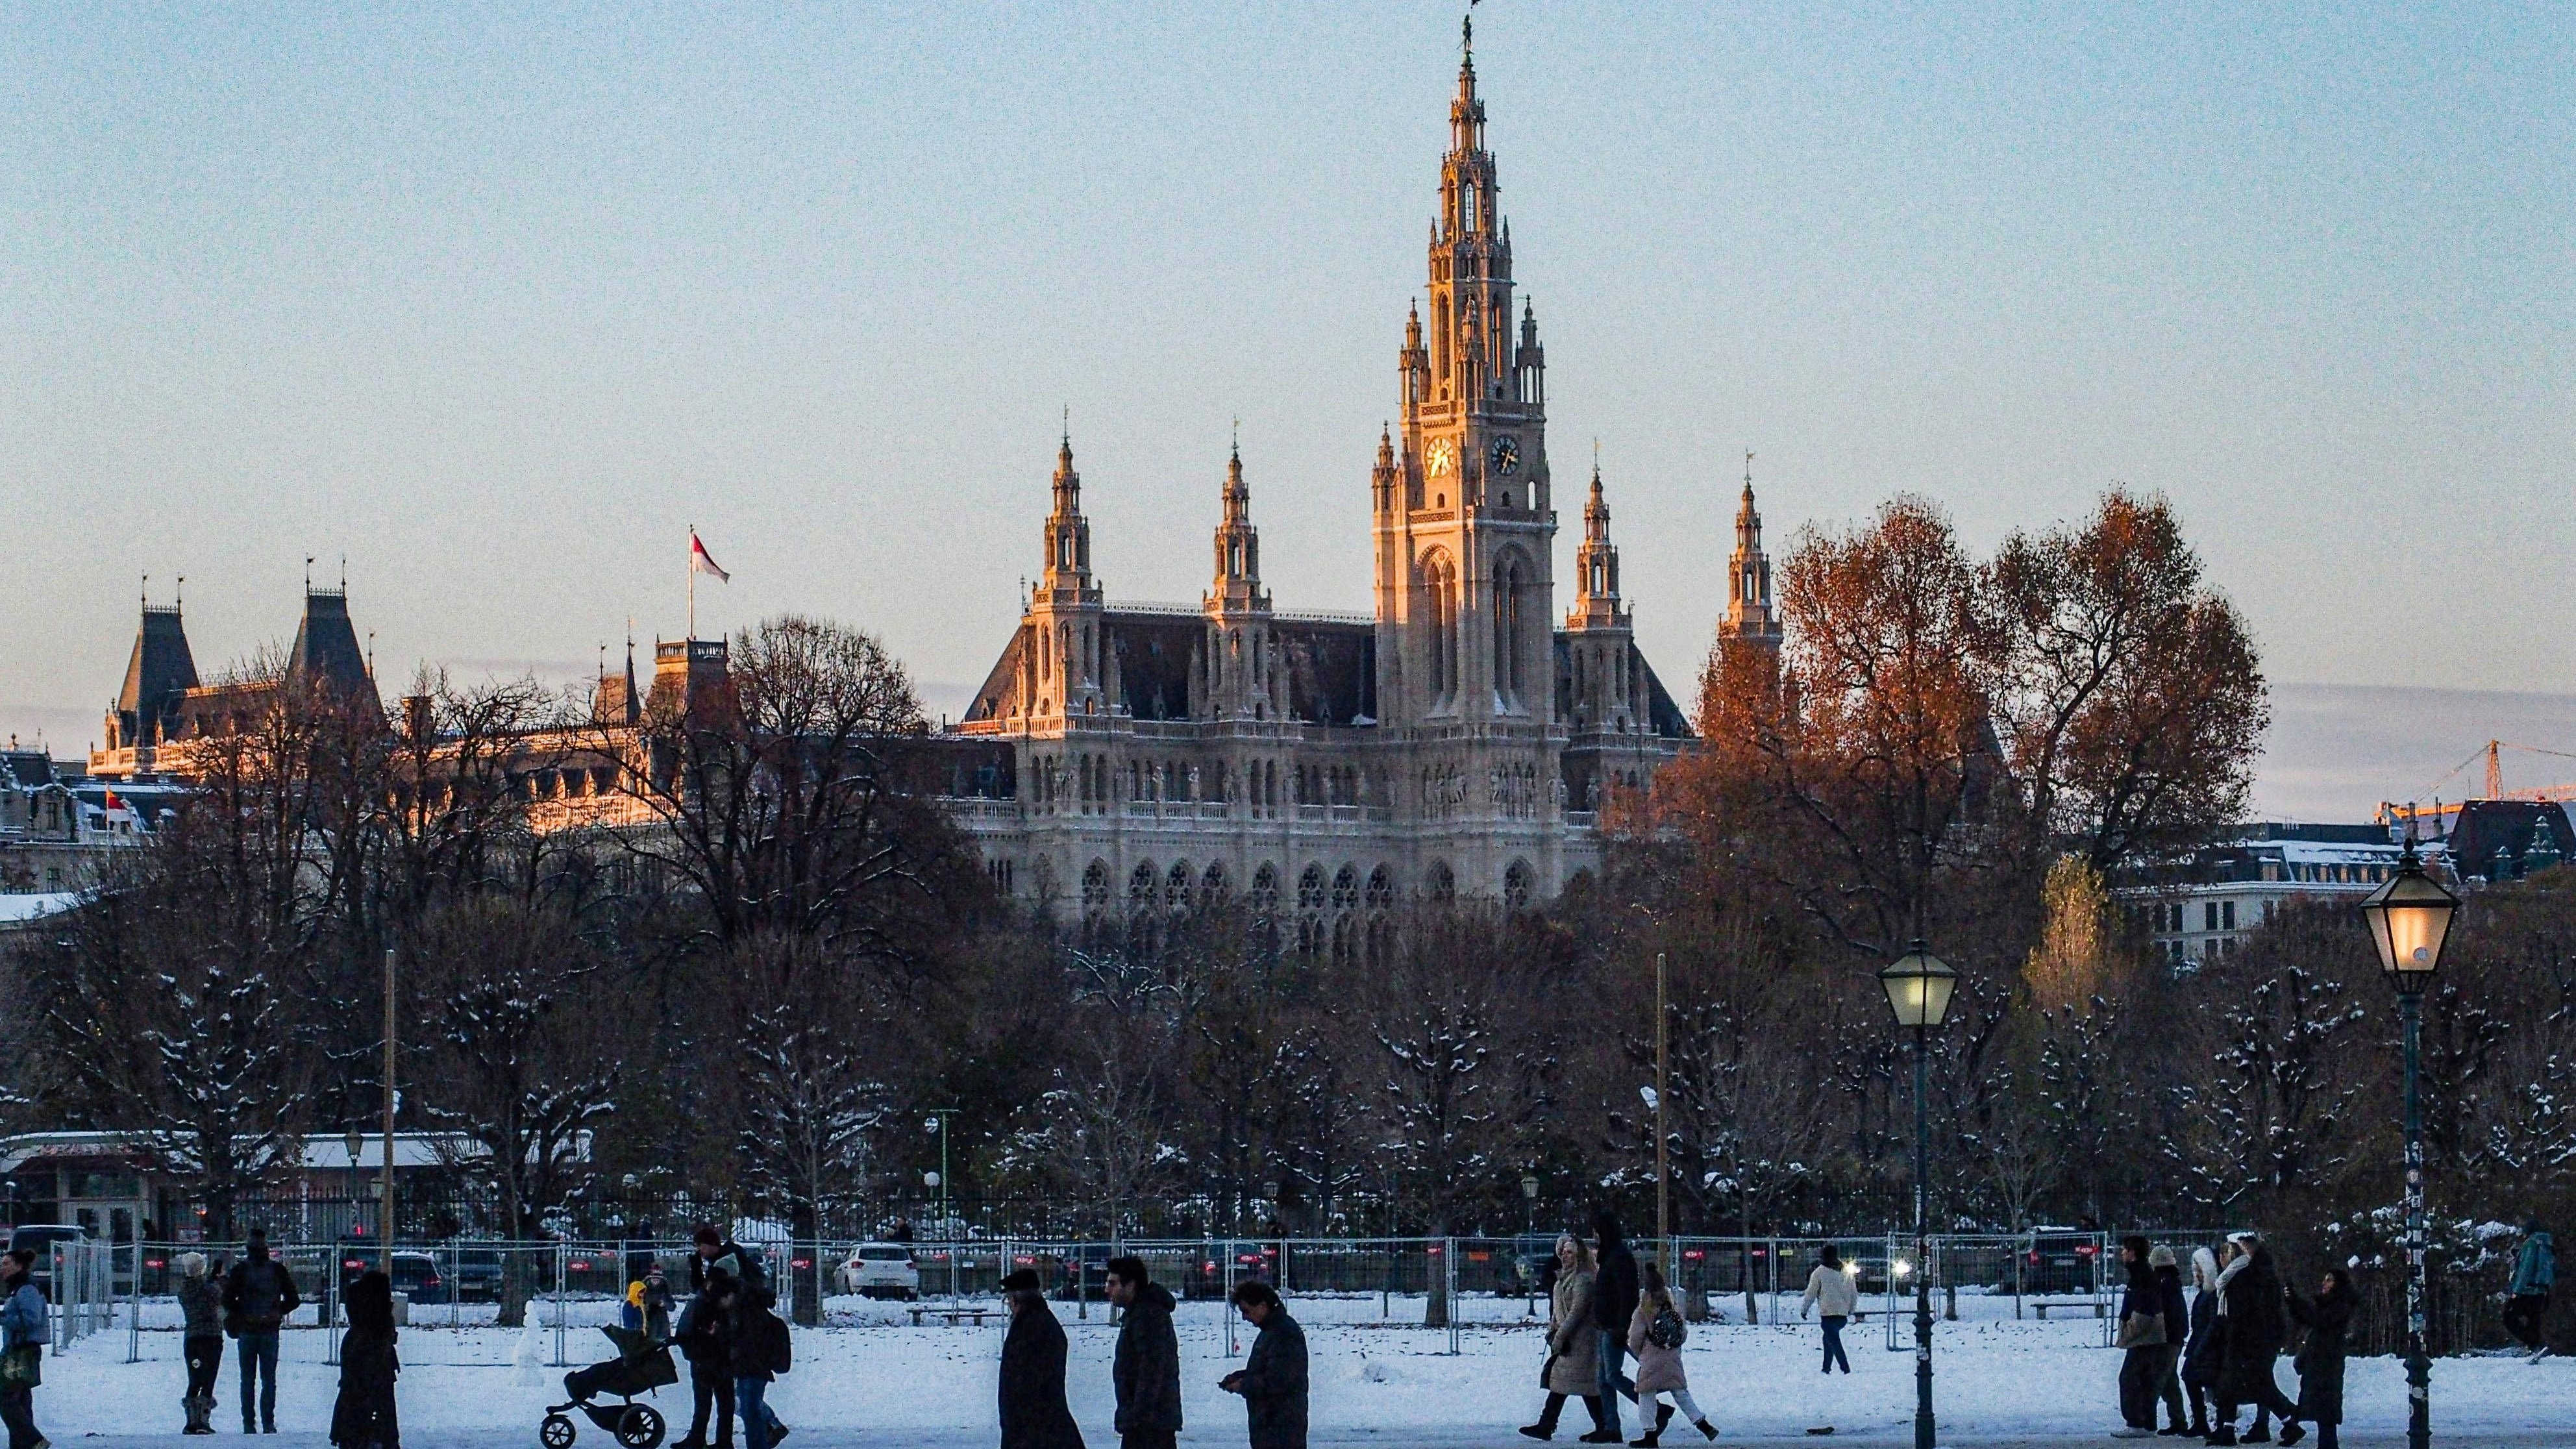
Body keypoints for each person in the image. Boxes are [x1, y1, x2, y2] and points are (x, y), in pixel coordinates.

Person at [2208, 1235, 2296, 1446]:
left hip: (2246, 1341)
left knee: (2252, 1385)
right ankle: (2230, 1430)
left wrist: (2231, 1336)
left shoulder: (2243, 1277)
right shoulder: (2241, 1275)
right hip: (2249, 1340)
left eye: (2226, 1253)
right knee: (2244, 1386)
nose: (2221, 1259)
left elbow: (2244, 1313)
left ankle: (2289, 1421)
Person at [1520, 1233, 1606, 1442]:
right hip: (1570, 1341)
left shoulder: (1583, 1280)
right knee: (1572, 1384)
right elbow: (1559, 1310)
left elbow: (1577, 1312)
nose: (1565, 1256)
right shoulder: (1564, 1279)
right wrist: (1554, 1331)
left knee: (1576, 1385)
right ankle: (1600, 1425)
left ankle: (1549, 1425)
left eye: (1570, 1252)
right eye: (1564, 1252)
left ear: (1579, 1256)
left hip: (1582, 1341)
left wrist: (1560, 1336)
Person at [1626, 1261, 1715, 1445]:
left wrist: (1640, 1353)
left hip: (1650, 1360)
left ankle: (1650, 1435)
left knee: (1646, 1395)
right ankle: (1703, 1424)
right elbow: (1683, 1334)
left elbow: (1635, 1339)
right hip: (1673, 1359)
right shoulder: (1673, 1308)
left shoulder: (1643, 1312)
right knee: (1680, 1392)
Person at [223, 1228, 301, 1434]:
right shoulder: (277, 1270)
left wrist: (242, 1313)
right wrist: (277, 1311)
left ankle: (249, 1423)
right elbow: (294, 1299)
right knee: (269, 1380)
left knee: (247, 1379)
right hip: (270, 1330)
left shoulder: (241, 1270)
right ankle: (268, 1422)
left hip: (247, 1330)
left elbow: (227, 1299)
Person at [997, 1268, 1083, 1449]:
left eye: (1009, 1299)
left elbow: (1022, 1385)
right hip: (1044, 1426)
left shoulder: (1028, 1328)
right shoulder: (1042, 1322)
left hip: (1034, 1430)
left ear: (1015, 1300)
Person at [1221, 1281, 1307, 1449]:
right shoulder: (1273, 1331)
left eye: (1246, 1311)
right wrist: (1241, 1377)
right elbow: (1269, 1370)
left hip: (1280, 1428)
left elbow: (1280, 1380)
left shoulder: (1283, 1333)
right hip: (1273, 1426)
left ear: (1262, 1306)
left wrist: (1244, 1384)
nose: (1244, 1317)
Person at [2275, 1267, 2354, 1449]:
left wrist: (2296, 1301)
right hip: (2319, 1363)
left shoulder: (2340, 1306)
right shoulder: (2329, 1305)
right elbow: (2307, 1318)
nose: (2324, 1283)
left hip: (2328, 1364)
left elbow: (2316, 1319)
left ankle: (2321, 1442)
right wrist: (2293, 1301)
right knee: (2321, 1409)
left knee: (2325, 1410)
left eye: (2329, 1280)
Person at [1107, 1257, 1181, 1449]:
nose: (1107, 1290)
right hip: (1146, 1421)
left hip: (1149, 1425)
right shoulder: (1139, 1314)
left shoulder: (1148, 1315)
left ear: (1131, 1285)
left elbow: (1151, 1371)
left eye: (1112, 1284)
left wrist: (1137, 1418)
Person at [330, 1269, 401, 1449]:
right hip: (375, 1377)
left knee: (355, 1402)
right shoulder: (378, 1329)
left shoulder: (358, 1330)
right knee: (378, 1405)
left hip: (354, 1396)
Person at [1589, 1211, 1641, 1443]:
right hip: (1606, 1325)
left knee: (1612, 1376)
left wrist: (1623, 1326)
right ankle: (1611, 1427)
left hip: (1615, 1326)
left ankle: (1655, 1408)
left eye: (1596, 1231)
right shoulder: (1610, 1255)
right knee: (1603, 1380)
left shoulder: (1619, 1257)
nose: (1594, 1236)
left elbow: (1627, 1294)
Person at [673, 1270, 736, 1449]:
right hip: (713, 1360)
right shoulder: (706, 1305)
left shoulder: (702, 1303)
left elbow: (684, 1334)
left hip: (708, 1360)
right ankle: (719, 1441)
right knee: (722, 1403)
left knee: (706, 1403)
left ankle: (700, 1439)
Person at [730, 1282, 790, 1449]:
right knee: (750, 1408)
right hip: (758, 1370)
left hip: (747, 1368)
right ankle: (767, 1433)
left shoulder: (747, 1321)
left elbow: (741, 1345)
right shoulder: (769, 1322)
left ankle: (761, 1441)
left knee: (749, 1410)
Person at [2180, 1246, 2228, 1440]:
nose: (2197, 1274)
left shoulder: (2212, 1294)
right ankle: (2202, 1421)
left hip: (2208, 1347)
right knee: (2190, 1378)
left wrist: (2202, 1347)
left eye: (2200, 1270)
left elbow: (2213, 1323)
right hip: (2200, 1344)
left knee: (2211, 1384)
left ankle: (2214, 1423)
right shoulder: (2205, 1293)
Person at [0, 1249, 45, 1449]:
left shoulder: (26, 1289)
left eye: (6, 1263)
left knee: (7, 1399)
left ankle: (34, 1441)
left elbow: (32, 1319)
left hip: (23, 1352)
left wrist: (4, 1318)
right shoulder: (17, 1288)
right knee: (21, 1401)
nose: (2, 1268)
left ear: (19, 1266)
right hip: (17, 1350)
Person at [177, 1251, 225, 1435]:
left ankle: (191, 1421)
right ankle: (203, 1420)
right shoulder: (210, 1288)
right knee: (209, 1378)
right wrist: (216, 1280)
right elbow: (219, 1299)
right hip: (211, 1337)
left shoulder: (183, 1291)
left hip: (192, 1338)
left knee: (195, 1379)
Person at [2151, 1245, 2191, 1436]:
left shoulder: (2163, 1284)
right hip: (2174, 1337)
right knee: (2169, 1380)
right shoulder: (2173, 1282)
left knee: (2161, 1379)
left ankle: (2149, 1419)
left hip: (2167, 1338)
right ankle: (2178, 1419)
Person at [1800, 1244, 1859, 1375]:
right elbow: (1854, 1293)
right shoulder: (1846, 1271)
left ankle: (1845, 1368)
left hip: (1828, 1314)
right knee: (1828, 1339)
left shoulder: (1819, 1273)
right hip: (1842, 1314)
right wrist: (1851, 1309)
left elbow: (1811, 1293)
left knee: (1833, 1341)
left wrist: (1804, 1310)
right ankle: (1826, 1368)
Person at [2505, 1217, 2553, 1361]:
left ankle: (2532, 1342)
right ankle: (2534, 1349)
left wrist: (2517, 1291)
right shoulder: (2547, 1244)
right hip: (2542, 1290)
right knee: (2533, 1320)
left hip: (2528, 1289)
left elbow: (2526, 1269)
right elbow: (2551, 1268)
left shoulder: (2531, 1244)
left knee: (2509, 1317)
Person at [689, 1225, 765, 1296]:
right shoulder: (718, 1260)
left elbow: (707, 1293)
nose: (699, 1251)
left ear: (711, 1244)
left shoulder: (726, 1261)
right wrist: (696, 1268)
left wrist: (696, 1269)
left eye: (701, 1246)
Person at [643, 1267, 675, 1343]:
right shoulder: (643, 1290)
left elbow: (672, 1307)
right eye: (654, 1278)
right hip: (648, 1323)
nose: (656, 1280)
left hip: (662, 1325)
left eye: (658, 1279)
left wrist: (665, 1303)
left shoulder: (665, 1290)